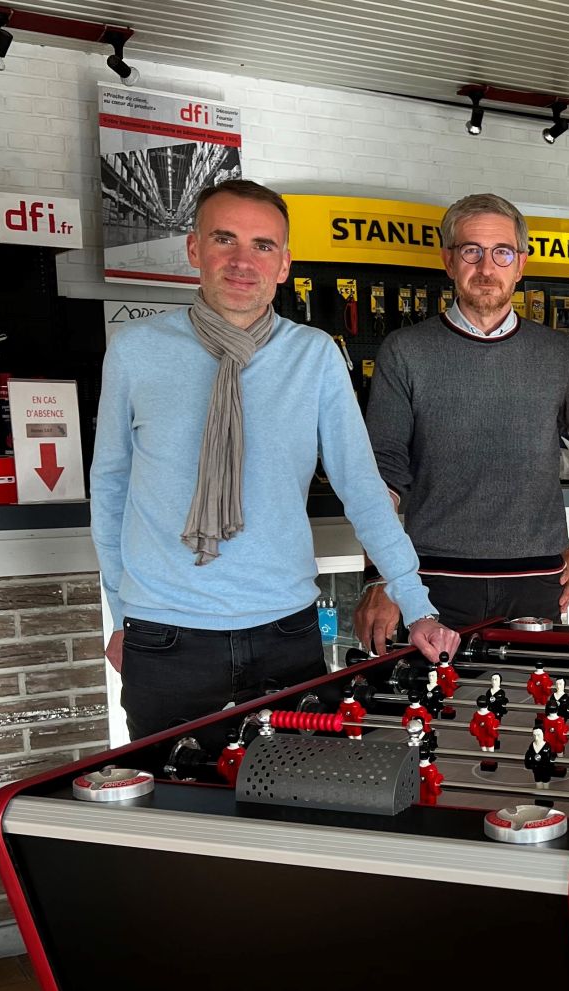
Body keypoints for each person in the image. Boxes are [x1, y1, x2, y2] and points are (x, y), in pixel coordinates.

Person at [91, 179, 456, 742]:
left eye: (263, 245)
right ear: (194, 250)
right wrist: (121, 615)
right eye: (224, 239)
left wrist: (416, 603)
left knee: (292, 812)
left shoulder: (314, 356)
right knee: (173, 817)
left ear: (284, 264)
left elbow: (361, 486)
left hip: (286, 635)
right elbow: (111, 488)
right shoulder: (136, 351)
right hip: (165, 638)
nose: (243, 261)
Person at [355, 192, 569, 648]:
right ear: (448, 260)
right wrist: (381, 577)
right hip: (429, 581)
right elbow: (382, 473)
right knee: (430, 712)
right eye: (471, 251)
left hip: (536, 583)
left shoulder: (558, 355)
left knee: (533, 711)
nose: (486, 267)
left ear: (520, 264)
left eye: (501, 253)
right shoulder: (405, 351)